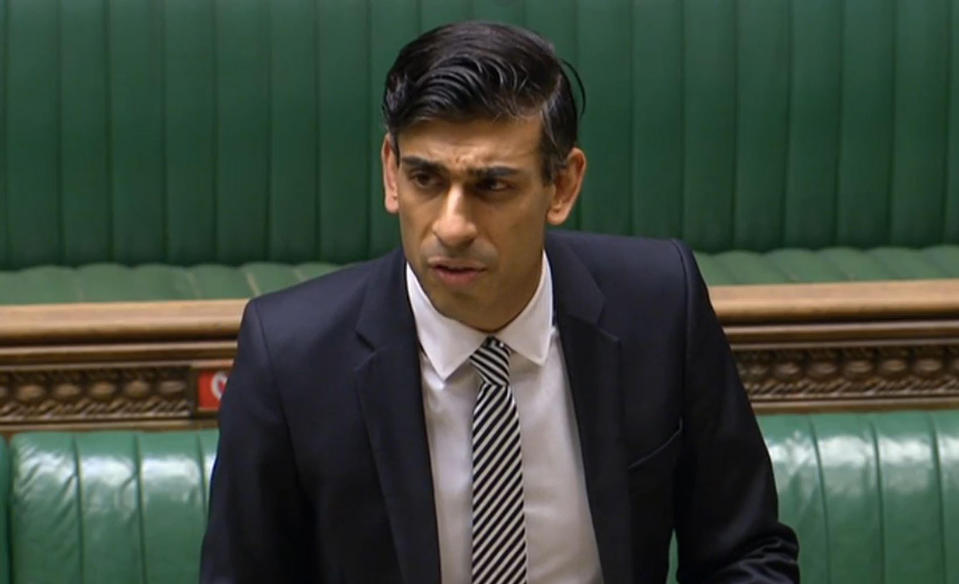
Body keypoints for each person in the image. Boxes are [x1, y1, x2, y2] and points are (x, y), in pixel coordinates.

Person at [201, 21, 799, 584]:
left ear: (562, 186)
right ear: (391, 173)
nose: (453, 226)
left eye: (492, 185)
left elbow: (746, 552)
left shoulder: (660, 305)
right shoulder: (290, 356)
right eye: (426, 180)